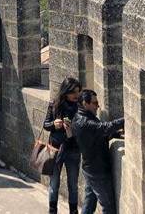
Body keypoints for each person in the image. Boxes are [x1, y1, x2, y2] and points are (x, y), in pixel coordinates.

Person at [72, 90, 124, 214]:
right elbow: (103, 128)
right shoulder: (85, 122)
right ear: (85, 103)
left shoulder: (78, 117)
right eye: (95, 103)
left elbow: (96, 134)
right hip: (97, 171)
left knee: (89, 202)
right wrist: (126, 119)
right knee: (108, 207)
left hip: (89, 168)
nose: (98, 106)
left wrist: (116, 134)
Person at [43, 77, 82, 214]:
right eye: (73, 92)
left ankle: (73, 211)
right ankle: (52, 211)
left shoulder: (80, 106)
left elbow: (83, 128)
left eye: (78, 92)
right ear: (65, 92)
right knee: (54, 184)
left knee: (73, 185)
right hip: (56, 149)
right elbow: (46, 125)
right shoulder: (54, 104)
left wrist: (72, 128)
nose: (76, 95)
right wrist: (54, 124)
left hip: (73, 149)